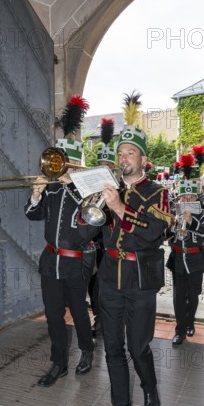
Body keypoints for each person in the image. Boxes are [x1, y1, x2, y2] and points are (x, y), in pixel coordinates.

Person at [90, 126, 171, 406]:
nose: (124, 158)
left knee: (138, 347)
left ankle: (150, 389)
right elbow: (88, 230)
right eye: (121, 153)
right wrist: (92, 202)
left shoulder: (157, 192)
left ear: (143, 159)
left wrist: (118, 208)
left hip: (140, 280)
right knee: (111, 347)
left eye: (130, 153)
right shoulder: (108, 190)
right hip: (110, 277)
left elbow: (152, 232)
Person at [25, 95, 96, 387]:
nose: (58, 167)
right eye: (56, 162)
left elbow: (90, 227)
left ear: (74, 163)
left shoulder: (87, 191)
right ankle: (58, 363)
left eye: (63, 162)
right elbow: (32, 215)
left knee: (79, 311)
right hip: (50, 261)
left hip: (75, 262)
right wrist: (36, 194)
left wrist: (74, 188)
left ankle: (88, 351)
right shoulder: (52, 189)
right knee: (53, 315)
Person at [167, 173, 204, 344]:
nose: (187, 199)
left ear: (196, 197)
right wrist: (170, 224)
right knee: (178, 296)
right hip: (178, 258)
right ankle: (180, 329)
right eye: (183, 196)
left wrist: (191, 221)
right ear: (179, 197)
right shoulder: (173, 211)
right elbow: (165, 235)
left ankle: (190, 322)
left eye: (191, 196)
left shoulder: (203, 213)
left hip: (195, 259)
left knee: (193, 295)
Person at [88, 117, 116, 337]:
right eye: (100, 166)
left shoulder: (120, 189)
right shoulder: (88, 189)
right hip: (92, 245)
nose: (103, 170)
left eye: (107, 166)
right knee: (94, 287)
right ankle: (98, 319)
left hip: (112, 246)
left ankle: (111, 320)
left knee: (109, 287)